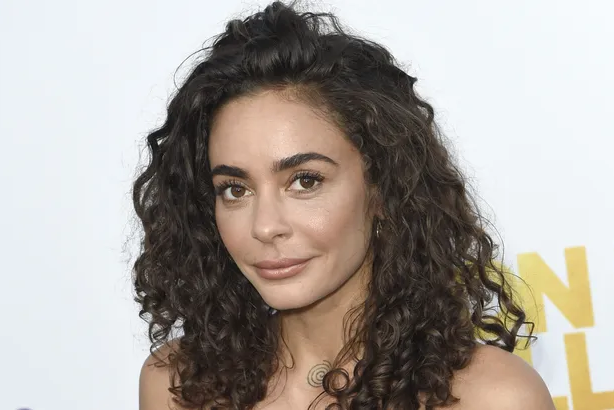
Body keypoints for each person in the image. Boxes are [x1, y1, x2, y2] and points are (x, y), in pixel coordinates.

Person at [132, 1, 555, 409]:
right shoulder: (179, 386)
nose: (265, 226)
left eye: (305, 181)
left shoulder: (493, 397)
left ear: (383, 188)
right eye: (235, 189)